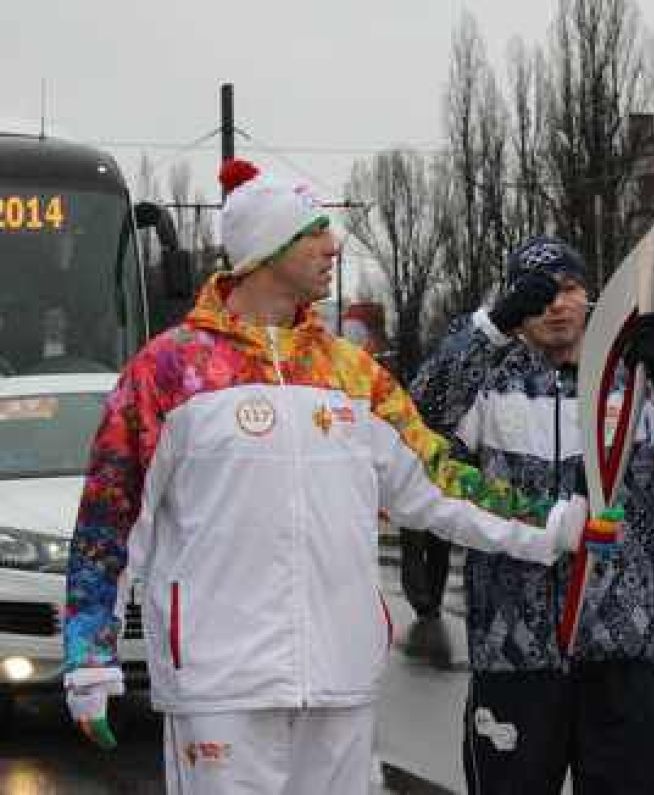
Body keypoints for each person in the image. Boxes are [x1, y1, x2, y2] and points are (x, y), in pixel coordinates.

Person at [61, 161, 593, 795]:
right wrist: (90, 654)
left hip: (341, 676)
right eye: (315, 231)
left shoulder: (351, 374)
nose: (333, 246)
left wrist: (556, 523)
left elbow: (440, 480)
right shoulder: (171, 371)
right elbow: (110, 520)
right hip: (220, 683)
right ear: (266, 247)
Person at [415, 235, 654, 795]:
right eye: (537, 293)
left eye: (568, 288)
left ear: (590, 296)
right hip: (515, 652)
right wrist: (491, 328)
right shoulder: (490, 384)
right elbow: (418, 421)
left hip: (623, 651)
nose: (556, 304)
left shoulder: (637, 380)